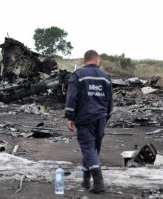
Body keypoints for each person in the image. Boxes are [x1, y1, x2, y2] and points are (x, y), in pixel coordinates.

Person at [65, 50, 113, 193]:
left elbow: (71, 97)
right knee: (93, 150)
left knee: (88, 149)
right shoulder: (105, 76)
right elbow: (110, 100)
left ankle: (98, 183)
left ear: (85, 60)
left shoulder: (78, 75)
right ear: (96, 59)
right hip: (100, 118)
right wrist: (107, 117)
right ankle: (86, 180)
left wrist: (70, 116)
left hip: (85, 118)